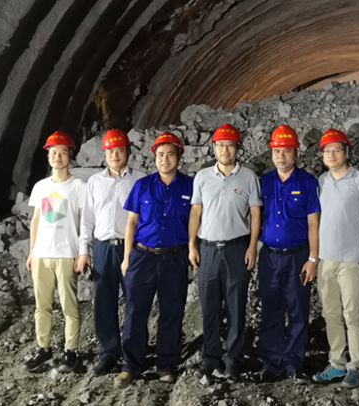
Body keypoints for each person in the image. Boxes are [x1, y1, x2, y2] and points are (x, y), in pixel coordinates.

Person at [114, 132, 193, 388]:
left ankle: (166, 364)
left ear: (179, 156)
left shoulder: (191, 186)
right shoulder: (142, 185)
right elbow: (131, 223)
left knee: (172, 312)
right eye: (160, 155)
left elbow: (196, 220)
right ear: (154, 158)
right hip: (142, 256)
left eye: (170, 154)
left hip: (175, 257)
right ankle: (130, 366)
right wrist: (127, 257)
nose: (165, 159)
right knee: (136, 311)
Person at [188, 123, 262, 383]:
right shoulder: (202, 177)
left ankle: (233, 360)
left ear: (237, 148)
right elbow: (195, 212)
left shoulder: (249, 177)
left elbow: (255, 214)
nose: (225, 150)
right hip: (207, 250)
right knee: (209, 308)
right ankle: (210, 358)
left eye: (230, 145)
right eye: (220, 145)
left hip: (236, 250)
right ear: (214, 148)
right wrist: (191, 245)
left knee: (236, 307)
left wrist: (252, 246)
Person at [253, 125, 321, 384]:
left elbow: (313, 223)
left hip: (297, 257)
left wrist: (312, 258)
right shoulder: (264, 182)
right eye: (276, 151)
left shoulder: (307, 182)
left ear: (296, 152)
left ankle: (293, 362)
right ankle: (271, 363)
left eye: (286, 151)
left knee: (297, 310)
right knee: (271, 309)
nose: (281, 156)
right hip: (269, 257)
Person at [312, 128, 359, 388]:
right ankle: (337, 363)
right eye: (327, 151)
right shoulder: (322, 181)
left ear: (346, 152)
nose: (331, 155)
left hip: (352, 259)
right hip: (326, 259)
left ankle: (355, 365)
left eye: (336, 150)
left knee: (353, 313)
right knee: (331, 313)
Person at [77, 129, 145, 376]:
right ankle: (108, 353)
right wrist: (83, 250)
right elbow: (87, 219)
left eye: (119, 150)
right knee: (104, 302)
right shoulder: (95, 182)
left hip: (133, 248)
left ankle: (134, 354)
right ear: (104, 154)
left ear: (128, 152)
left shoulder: (140, 180)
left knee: (135, 301)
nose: (115, 155)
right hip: (104, 248)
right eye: (110, 151)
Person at [24, 131, 86, 374]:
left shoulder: (79, 186)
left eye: (62, 152)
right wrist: (32, 252)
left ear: (70, 155)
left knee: (69, 307)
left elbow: (84, 223)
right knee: (42, 306)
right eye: (53, 153)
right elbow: (36, 221)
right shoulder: (41, 186)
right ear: (48, 156)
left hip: (66, 253)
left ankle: (71, 352)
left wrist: (81, 252)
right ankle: (44, 349)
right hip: (42, 254)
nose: (57, 157)